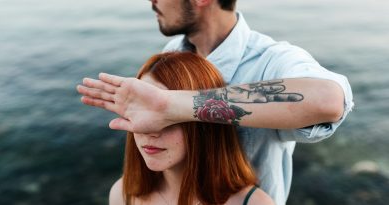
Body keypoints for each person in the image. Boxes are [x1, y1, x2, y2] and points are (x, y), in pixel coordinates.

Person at [77, 0, 354, 204]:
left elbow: (328, 100)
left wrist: (172, 107)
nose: (152, 2)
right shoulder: (172, 53)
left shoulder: (272, 60)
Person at [108, 52, 275, 205]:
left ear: (204, 121)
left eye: (168, 114)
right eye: (142, 110)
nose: (149, 129)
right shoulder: (122, 195)